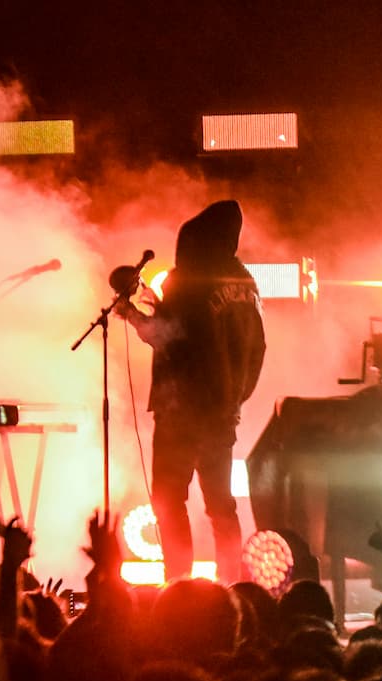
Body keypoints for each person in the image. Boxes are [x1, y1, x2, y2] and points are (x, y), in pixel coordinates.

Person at [115, 200, 266, 585]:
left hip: (180, 412)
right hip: (221, 414)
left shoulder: (189, 278)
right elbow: (256, 347)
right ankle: (231, 585)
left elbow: (166, 336)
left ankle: (177, 586)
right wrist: (236, 397)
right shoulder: (243, 284)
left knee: (168, 500)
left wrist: (129, 314)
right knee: (220, 507)